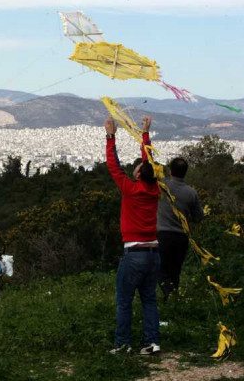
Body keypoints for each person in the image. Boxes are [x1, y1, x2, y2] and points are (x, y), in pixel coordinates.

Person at [105, 116, 161, 356]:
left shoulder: (131, 189)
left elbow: (113, 166)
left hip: (135, 253)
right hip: (153, 253)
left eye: (138, 166)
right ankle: (152, 342)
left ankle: (123, 343)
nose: (137, 166)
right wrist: (145, 133)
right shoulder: (154, 190)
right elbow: (149, 161)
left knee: (124, 300)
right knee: (149, 299)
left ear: (139, 175)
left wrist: (110, 136)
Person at [157, 157, 204, 302]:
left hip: (163, 235)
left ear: (170, 170)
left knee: (161, 270)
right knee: (175, 271)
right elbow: (199, 217)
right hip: (181, 237)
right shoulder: (191, 193)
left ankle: (169, 296)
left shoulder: (162, 185)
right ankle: (172, 300)